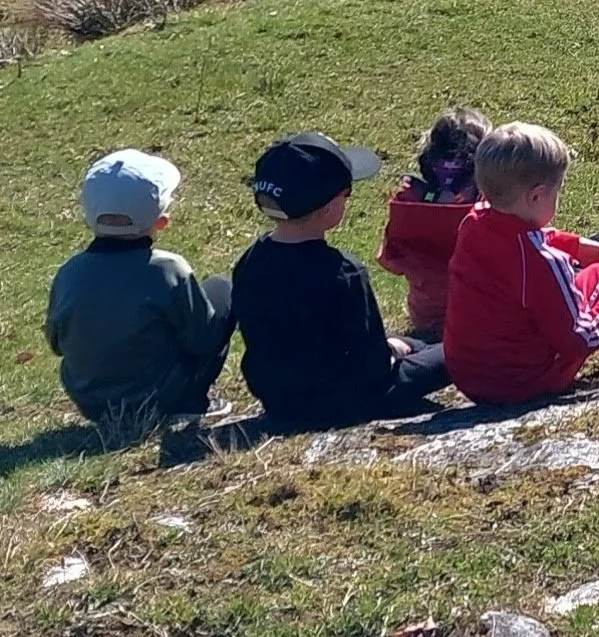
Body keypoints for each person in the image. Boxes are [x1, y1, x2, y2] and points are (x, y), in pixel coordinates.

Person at [444, 121, 599, 405]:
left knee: (580, 279)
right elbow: (579, 340)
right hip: (526, 382)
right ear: (536, 195)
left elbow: (518, 239)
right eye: (558, 191)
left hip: (469, 377)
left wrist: (574, 245)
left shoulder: (473, 222)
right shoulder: (543, 262)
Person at [232, 132, 450, 429]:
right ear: (330, 209)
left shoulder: (250, 260)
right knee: (454, 350)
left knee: (418, 342)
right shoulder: (344, 272)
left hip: (280, 399)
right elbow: (372, 368)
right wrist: (391, 351)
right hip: (349, 401)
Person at [45, 149, 235, 441]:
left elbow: (56, 343)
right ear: (161, 222)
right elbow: (204, 339)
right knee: (222, 289)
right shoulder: (169, 270)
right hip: (158, 397)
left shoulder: (69, 272)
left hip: (91, 402)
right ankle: (191, 402)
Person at [378, 107, 489, 340]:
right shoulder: (490, 206)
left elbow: (390, 260)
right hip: (481, 318)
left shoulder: (409, 202)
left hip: (425, 318)